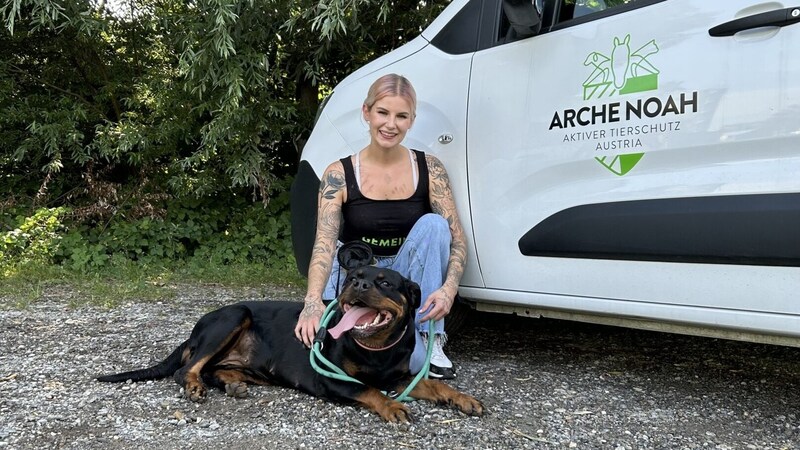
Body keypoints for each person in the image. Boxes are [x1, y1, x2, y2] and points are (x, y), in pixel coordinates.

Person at [294, 73, 467, 379]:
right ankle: (340, 322)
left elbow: (456, 240)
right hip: (359, 271)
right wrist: (310, 303)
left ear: (411, 120)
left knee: (435, 225)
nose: (391, 124)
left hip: (402, 275)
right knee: (334, 248)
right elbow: (323, 244)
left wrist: (449, 290)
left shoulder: (430, 168)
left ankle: (429, 336)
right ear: (367, 112)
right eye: (383, 113)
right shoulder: (339, 173)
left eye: (401, 116)